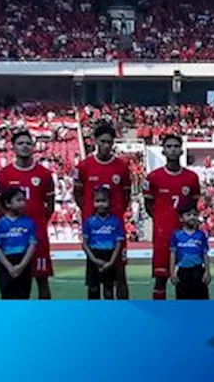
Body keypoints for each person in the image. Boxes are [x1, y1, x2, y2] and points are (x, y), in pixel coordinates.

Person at [73, 123, 132, 299]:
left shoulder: (121, 166)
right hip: (94, 228)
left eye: (110, 142)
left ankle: (123, 313)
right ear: (95, 141)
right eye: (103, 141)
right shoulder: (84, 166)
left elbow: (127, 194)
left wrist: (118, 212)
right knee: (93, 280)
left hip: (115, 227)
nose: (106, 145)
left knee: (120, 273)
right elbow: (78, 194)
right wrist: (89, 212)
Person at [0, 130, 55, 299]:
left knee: (42, 279)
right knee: (14, 282)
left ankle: (44, 319)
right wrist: (13, 226)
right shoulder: (3, 175)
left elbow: (49, 207)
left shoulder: (44, 174)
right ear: (13, 147)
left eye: (28, 143)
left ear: (34, 147)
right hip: (14, 237)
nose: (25, 146)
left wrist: (39, 224)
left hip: (38, 234)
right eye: (20, 143)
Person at [142, 134, 201, 300]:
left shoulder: (191, 178)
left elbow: (193, 206)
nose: (173, 149)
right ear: (163, 151)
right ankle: (159, 314)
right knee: (161, 279)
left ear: (181, 150)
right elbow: (148, 206)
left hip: (185, 235)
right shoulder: (153, 177)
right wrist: (162, 221)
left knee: (185, 277)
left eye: (176, 146)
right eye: (169, 146)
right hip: (163, 235)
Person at [0, 187, 37, 300]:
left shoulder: (29, 222)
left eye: (24, 200)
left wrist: (22, 266)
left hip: (23, 261)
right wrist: (9, 267)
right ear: (8, 203)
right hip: (5, 263)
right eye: (19, 200)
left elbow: (32, 245)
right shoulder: (0, 224)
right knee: (7, 297)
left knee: (23, 296)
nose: (23, 203)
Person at [81, 187, 124, 300]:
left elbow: (118, 244)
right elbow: (84, 244)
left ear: (109, 202)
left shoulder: (115, 221)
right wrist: (94, 259)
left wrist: (111, 262)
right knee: (93, 290)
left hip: (109, 256)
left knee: (109, 291)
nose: (101, 204)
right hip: (94, 256)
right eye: (97, 201)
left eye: (103, 201)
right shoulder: (89, 222)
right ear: (93, 203)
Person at [170, 204, 211, 300]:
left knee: (201, 299)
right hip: (183, 272)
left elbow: (205, 254)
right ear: (181, 219)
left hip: (198, 271)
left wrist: (207, 272)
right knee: (183, 299)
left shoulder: (201, 235)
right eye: (188, 215)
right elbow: (173, 254)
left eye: (194, 214)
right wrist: (172, 273)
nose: (192, 217)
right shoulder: (177, 235)